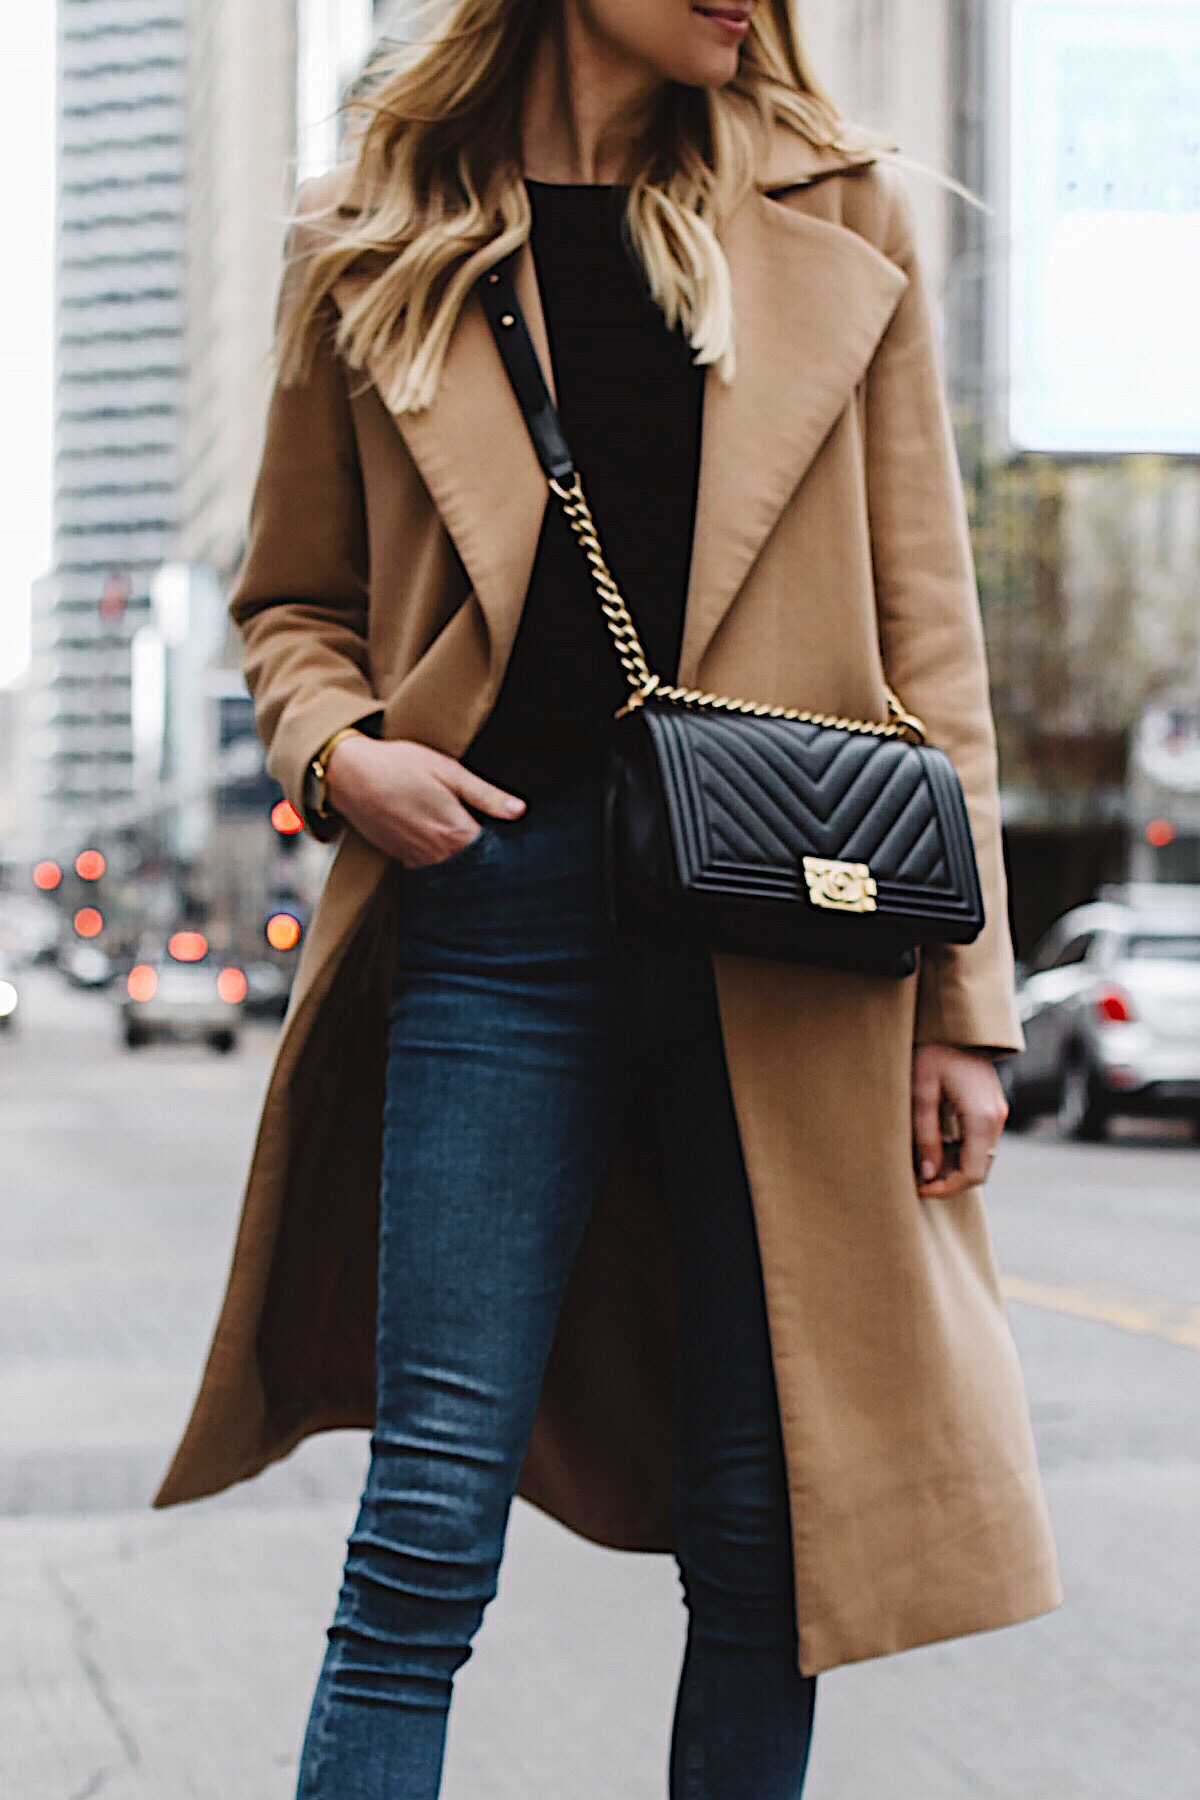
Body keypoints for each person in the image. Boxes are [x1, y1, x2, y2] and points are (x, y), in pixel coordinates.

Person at [152, 2, 1062, 1795]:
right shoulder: (370, 237)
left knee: (759, 1528)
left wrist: (966, 1008)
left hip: (794, 927)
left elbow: (928, 645)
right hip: (496, 910)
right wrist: (343, 757)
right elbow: (290, 604)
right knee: (425, 1523)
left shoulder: (839, 214)